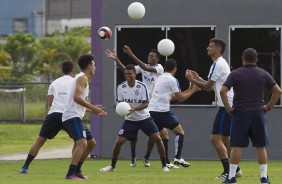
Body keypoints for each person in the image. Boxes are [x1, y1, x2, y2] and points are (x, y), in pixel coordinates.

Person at [105, 47, 176, 168]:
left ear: (158, 58)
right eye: (148, 55)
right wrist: (117, 60)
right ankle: (124, 160)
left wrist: (132, 54)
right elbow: (128, 72)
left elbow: (145, 68)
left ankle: (160, 162)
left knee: (159, 136)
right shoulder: (123, 85)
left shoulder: (159, 68)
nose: (150, 57)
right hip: (134, 111)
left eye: (152, 56)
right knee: (123, 140)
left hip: (151, 105)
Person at [220, 48, 282, 184]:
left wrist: (229, 109)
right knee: (261, 146)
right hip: (258, 112)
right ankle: (264, 178)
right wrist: (268, 106)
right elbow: (278, 91)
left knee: (236, 146)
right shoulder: (263, 73)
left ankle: (231, 177)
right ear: (257, 59)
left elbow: (223, 91)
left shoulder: (235, 74)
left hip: (240, 113)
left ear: (243, 59)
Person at [185, 38, 242, 179]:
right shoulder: (218, 63)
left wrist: (191, 80)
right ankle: (236, 169)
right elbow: (212, 86)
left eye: (210, 46)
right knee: (224, 139)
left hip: (226, 105)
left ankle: (229, 171)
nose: (207, 48)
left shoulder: (218, 64)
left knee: (215, 139)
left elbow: (207, 87)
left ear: (217, 49)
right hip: (224, 105)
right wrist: (198, 78)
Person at [20, 61, 74, 174]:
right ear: (72, 70)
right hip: (69, 115)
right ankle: (73, 169)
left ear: (61, 70)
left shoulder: (54, 83)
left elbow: (50, 103)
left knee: (39, 141)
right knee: (80, 142)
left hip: (54, 114)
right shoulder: (75, 82)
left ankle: (25, 167)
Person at [62, 53, 108, 180]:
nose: (95, 67)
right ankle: (70, 173)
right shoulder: (82, 78)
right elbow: (76, 97)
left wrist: (93, 110)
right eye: (94, 64)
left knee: (91, 144)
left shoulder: (81, 78)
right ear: (89, 66)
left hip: (75, 115)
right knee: (82, 143)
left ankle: (77, 170)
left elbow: (77, 101)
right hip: (71, 117)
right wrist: (93, 107)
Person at [148, 59, 200, 168]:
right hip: (162, 112)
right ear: (175, 68)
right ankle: (178, 157)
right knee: (180, 132)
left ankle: (166, 163)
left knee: (164, 136)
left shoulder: (161, 77)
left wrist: (189, 89)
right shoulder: (172, 80)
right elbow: (181, 98)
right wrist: (193, 90)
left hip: (152, 111)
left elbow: (173, 97)